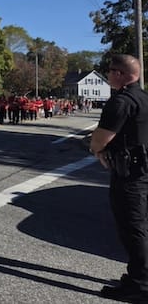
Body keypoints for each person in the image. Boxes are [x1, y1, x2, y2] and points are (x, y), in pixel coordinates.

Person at [90, 54, 148, 303]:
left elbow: (102, 137)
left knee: (132, 228)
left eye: (111, 70)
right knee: (141, 225)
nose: (108, 75)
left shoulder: (121, 101)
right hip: (143, 169)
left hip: (130, 173)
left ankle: (140, 284)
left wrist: (97, 150)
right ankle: (138, 276)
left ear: (121, 74)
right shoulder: (144, 98)